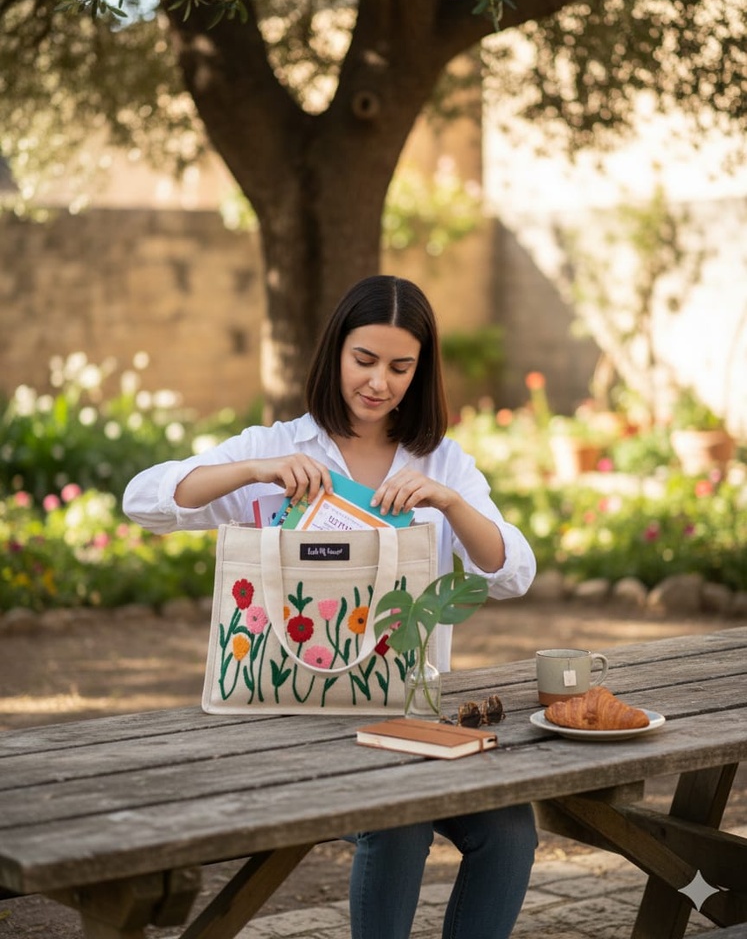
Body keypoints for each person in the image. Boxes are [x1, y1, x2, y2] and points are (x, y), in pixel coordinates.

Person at [123, 274, 538, 939]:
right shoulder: (277, 448)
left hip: (405, 707)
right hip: (292, 707)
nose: (379, 383)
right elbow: (142, 499)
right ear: (334, 355)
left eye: (400, 367)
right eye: (364, 361)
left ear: (420, 370)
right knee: (397, 820)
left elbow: (510, 573)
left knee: (511, 832)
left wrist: (449, 504)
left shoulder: (439, 462)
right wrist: (252, 472)